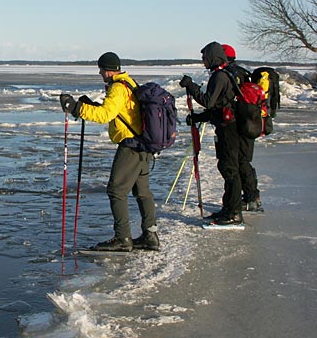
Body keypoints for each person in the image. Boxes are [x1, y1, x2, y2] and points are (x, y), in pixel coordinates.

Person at [60, 52, 159, 251]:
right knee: (142, 192)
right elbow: (118, 112)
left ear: (106, 69)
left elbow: (106, 114)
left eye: (100, 69)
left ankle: (122, 239)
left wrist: (76, 108)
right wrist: (88, 106)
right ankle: (150, 235)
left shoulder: (118, 87)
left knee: (116, 191)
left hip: (131, 146)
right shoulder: (129, 82)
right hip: (144, 145)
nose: (99, 73)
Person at [179, 42, 244, 225]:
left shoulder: (220, 76)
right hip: (226, 126)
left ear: (212, 57)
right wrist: (199, 118)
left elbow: (208, 101)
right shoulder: (222, 75)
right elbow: (218, 105)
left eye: (204, 58)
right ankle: (228, 208)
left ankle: (234, 212)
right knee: (226, 168)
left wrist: (191, 86)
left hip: (228, 129)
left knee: (230, 169)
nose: (202, 61)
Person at [222, 44, 262, 212]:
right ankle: (250, 197)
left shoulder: (232, 74)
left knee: (241, 162)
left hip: (241, 123)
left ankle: (251, 198)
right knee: (242, 161)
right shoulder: (242, 71)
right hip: (249, 121)